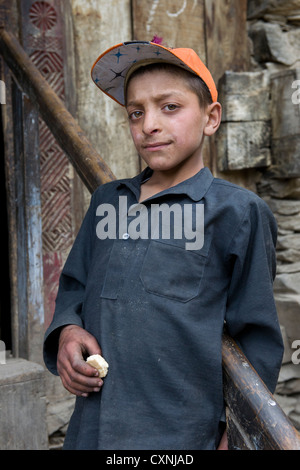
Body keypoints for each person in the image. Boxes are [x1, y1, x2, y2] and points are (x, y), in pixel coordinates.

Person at [43, 40, 284, 450]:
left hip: (181, 434)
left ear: (211, 118)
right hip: (93, 429)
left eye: (169, 107)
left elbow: (257, 340)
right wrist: (67, 332)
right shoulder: (108, 201)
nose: (148, 124)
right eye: (135, 112)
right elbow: (75, 287)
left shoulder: (237, 213)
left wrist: (238, 433)